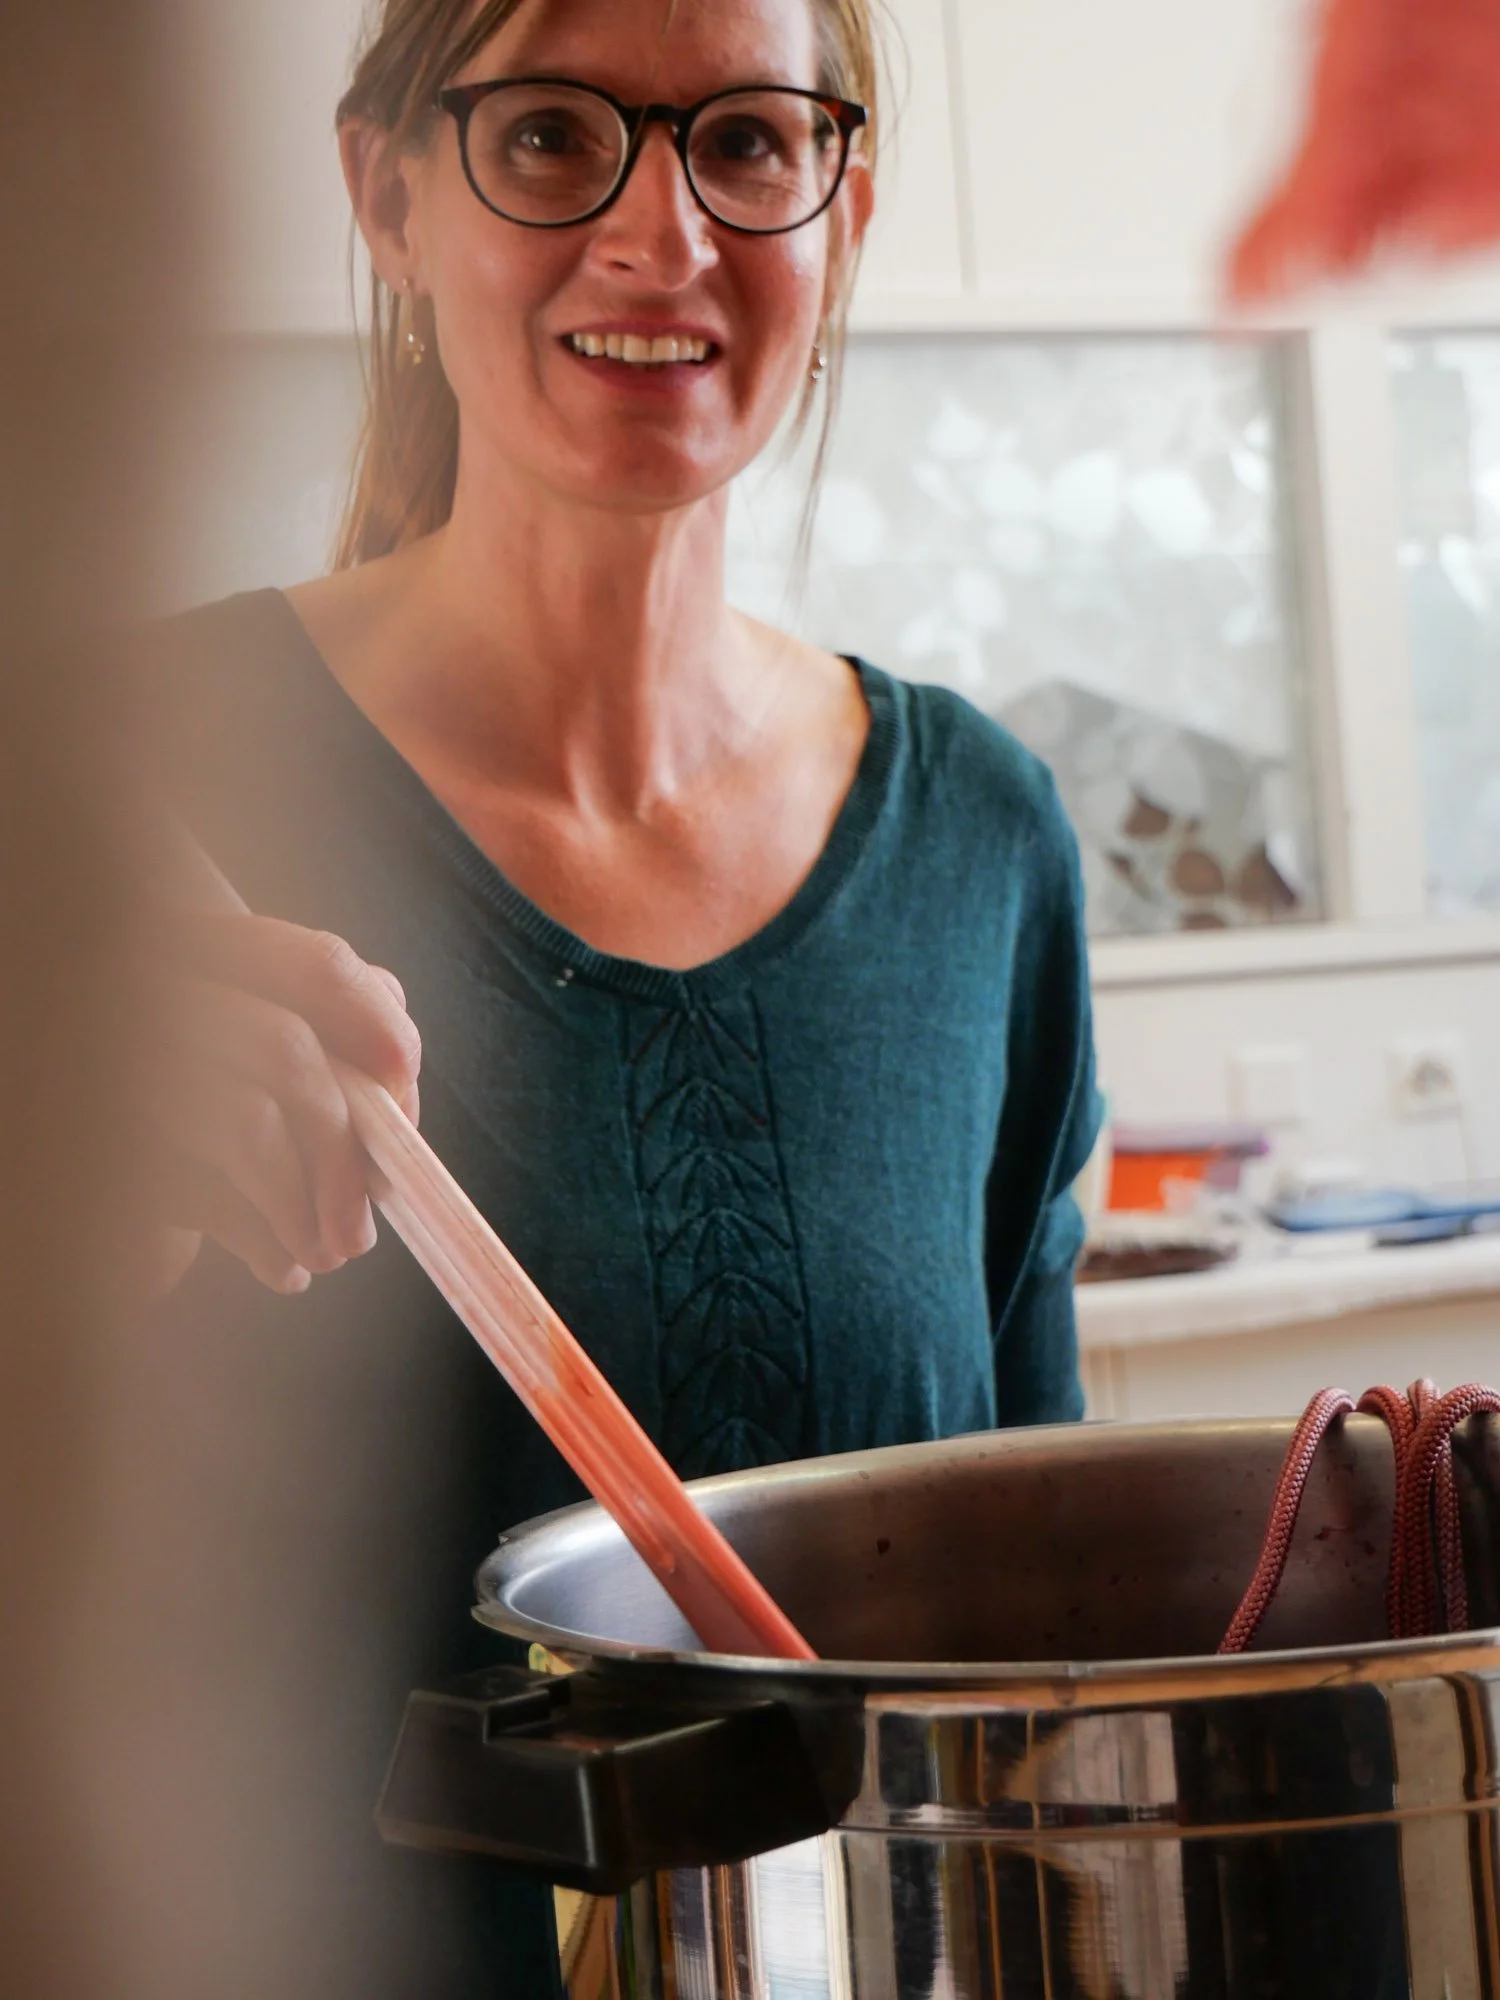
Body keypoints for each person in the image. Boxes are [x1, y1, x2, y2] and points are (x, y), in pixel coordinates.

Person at [140, 0, 1101, 1989]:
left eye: (746, 143)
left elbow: (1041, 1642)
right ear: (388, 198)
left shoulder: (983, 843)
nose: (661, 238)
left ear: (841, 212)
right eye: (550, 137)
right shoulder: (111, 782)